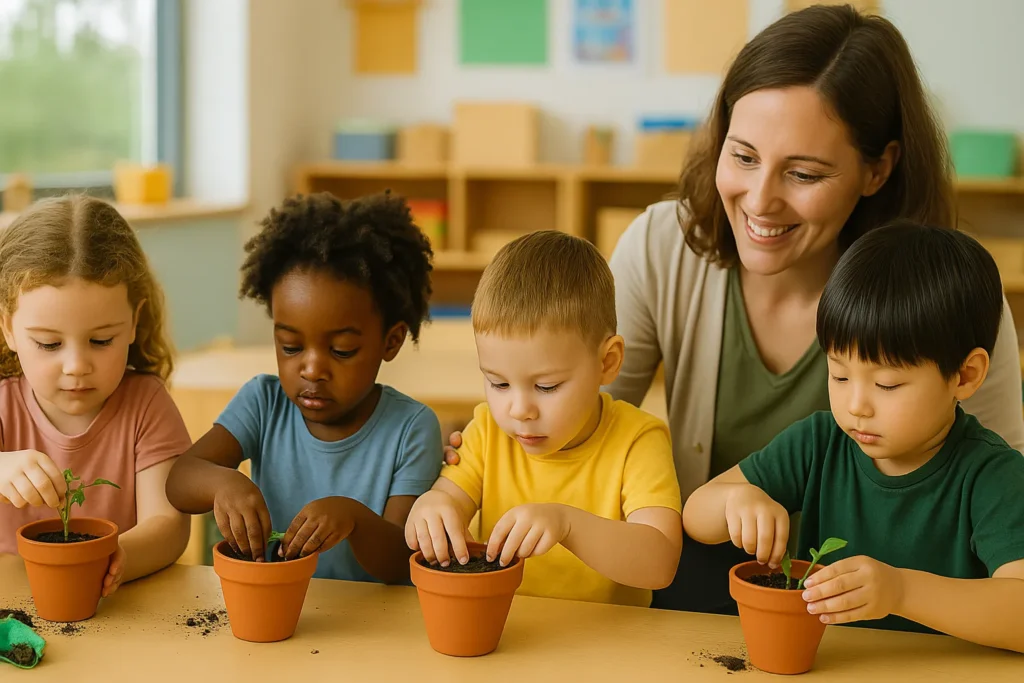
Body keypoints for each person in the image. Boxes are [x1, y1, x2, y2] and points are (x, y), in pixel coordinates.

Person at [444, 4, 1024, 613]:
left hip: (884, 615)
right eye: (743, 156)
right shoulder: (664, 246)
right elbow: (584, 407)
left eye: (803, 172)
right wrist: (492, 443)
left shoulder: (946, 301)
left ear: (877, 169)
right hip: (692, 578)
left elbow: (993, 487)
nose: (760, 200)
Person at [682, 222, 1024, 653]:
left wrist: (900, 591)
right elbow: (695, 515)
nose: (857, 404)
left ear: (965, 375)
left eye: (887, 385)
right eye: (839, 374)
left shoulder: (993, 475)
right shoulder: (820, 442)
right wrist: (736, 501)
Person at [165, 192, 443, 584]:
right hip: (276, 609)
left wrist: (353, 518)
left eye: (341, 350)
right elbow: (179, 481)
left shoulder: (411, 428)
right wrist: (224, 482)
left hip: (373, 627)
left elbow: (403, 564)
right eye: (291, 347)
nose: (311, 369)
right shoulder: (264, 402)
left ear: (391, 341)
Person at [406, 231, 682, 607]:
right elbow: (447, 500)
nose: (519, 410)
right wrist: (431, 509)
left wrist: (567, 524)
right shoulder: (488, 431)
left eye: (547, 386)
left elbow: (660, 564)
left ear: (608, 362)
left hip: (610, 649)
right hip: (507, 634)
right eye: (498, 382)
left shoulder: (639, 440)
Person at [0, 195, 192, 597]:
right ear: (8, 329)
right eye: (49, 344)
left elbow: (169, 525)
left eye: (102, 340)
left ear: (134, 323)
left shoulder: (146, 405)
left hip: (113, 607)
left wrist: (117, 556)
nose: (76, 365)